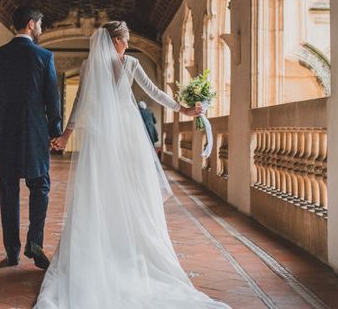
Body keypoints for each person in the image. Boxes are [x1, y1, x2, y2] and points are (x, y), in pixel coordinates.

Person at [35, 21, 230, 309]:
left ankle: (116, 245)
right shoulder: (118, 64)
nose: (127, 45)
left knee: (112, 189)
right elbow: (152, 93)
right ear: (114, 40)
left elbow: (84, 102)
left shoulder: (93, 65)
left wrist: (67, 134)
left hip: (106, 136)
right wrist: (183, 109)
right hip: (123, 135)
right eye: (124, 40)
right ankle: (117, 247)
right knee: (117, 189)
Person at [0, 6, 62, 269]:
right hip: (35, 131)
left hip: (6, 131)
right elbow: (52, 98)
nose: (41, 29)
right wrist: (55, 131)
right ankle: (34, 243)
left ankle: (12, 251)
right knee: (40, 186)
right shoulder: (44, 56)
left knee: (8, 190)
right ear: (30, 24)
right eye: (40, 24)